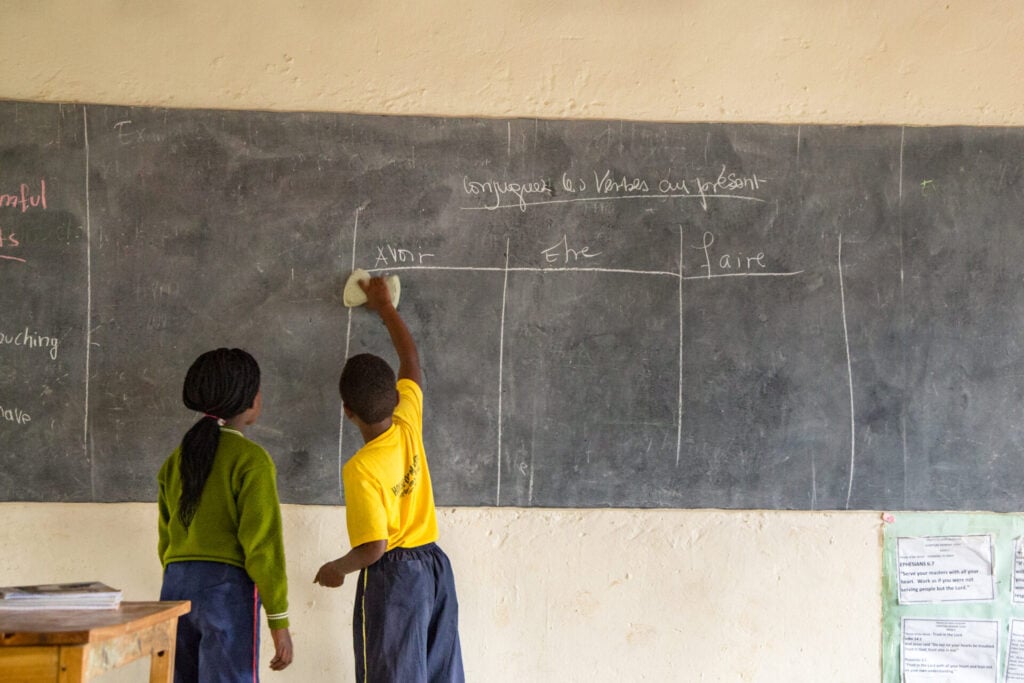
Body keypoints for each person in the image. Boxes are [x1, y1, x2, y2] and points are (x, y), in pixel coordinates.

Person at [314, 276, 464, 683]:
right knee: (439, 672)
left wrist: (337, 568)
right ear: (396, 397)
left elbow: (373, 548)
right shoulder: (407, 420)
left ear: (348, 411)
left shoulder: (361, 468)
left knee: (391, 674)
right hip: (433, 567)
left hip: (395, 578)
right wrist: (385, 307)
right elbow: (410, 359)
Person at [157, 348, 293, 681]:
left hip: (175, 587)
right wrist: (279, 622)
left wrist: (182, 576)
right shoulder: (251, 460)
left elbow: (166, 540)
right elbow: (263, 548)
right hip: (226, 590)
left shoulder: (176, 460)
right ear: (249, 400)